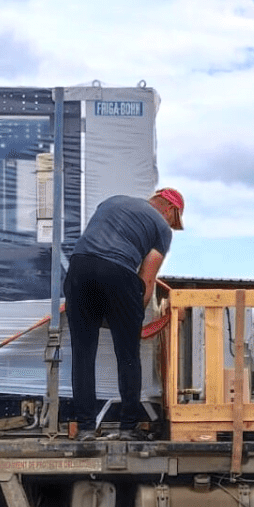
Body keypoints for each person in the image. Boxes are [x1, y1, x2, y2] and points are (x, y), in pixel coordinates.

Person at [64, 188, 184, 438]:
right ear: (170, 210)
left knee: (83, 354)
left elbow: (95, 242)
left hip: (79, 269)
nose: (172, 227)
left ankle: (85, 427)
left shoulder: (111, 199)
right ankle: (128, 428)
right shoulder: (161, 228)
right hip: (119, 272)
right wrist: (132, 317)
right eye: (175, 222)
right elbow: (147, 280)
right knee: (128, 355)